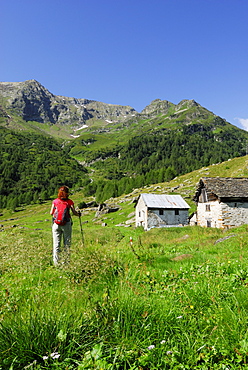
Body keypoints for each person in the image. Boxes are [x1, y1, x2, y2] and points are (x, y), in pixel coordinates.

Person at [50, 185, 81, 266]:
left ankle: (56, 263)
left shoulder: (55, 201)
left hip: (56, 224)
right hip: (66, 224)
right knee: (67, 243)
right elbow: (74, 212)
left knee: (56, 244)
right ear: (67, 193)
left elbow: (51, 213)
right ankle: (66, 262)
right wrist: (78, 214)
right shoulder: (69, 202)